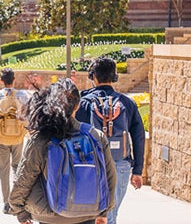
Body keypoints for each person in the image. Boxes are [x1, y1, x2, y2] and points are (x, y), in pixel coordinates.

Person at [9, 79, 117, 224]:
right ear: (77, 106)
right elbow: (109, 175)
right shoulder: (95, 136)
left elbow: (24, 177)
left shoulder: (41, 139)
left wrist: (19, 210)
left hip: (49, 214)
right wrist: (104, 211)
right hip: (87, 212)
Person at [76, 57, 145, 224]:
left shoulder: (84, 103)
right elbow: (138, 136)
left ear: (93, 76)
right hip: (120, 165)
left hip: (91, 165)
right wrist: (137, 171)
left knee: (91, 216)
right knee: (110, 216)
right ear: (114, 77)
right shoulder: (126, 103)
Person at [0, 67, 30, 214]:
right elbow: (28, 115)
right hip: (18, 137)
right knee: (17, 168)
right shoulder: (22, 96)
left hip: (2, 138)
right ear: (14, 80)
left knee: (3, 170)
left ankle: (6, 202)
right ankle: (17, 200)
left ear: (1, 81)